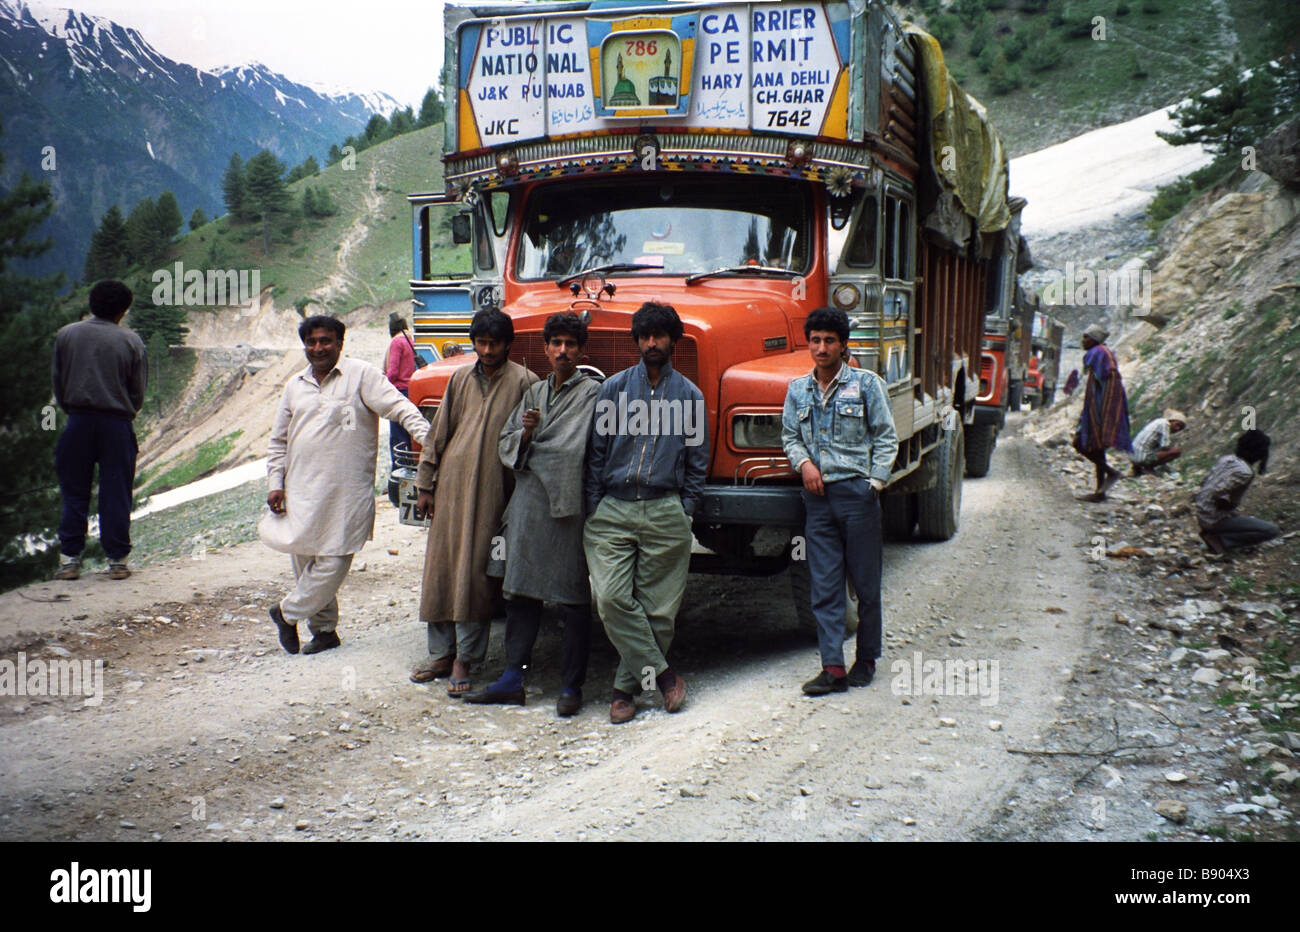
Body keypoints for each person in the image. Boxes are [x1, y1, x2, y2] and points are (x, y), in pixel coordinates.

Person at [261, 315, 429, 655]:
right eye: (312, 342)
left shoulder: (361, 375)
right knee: (306, 561)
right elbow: (278, 440)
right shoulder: (295, 385)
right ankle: (324, 631)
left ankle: (285, 613)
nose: (318, 348)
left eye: (325, 341)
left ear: (340, 342)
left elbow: (399, 406)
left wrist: (430, 439)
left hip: (345, 493)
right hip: (299, 491)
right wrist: (275, 483)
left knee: (335, 558)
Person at [463, 313, 601, 716]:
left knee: (572, 597)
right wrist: (525, 434)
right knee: (519, 591)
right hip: (526, 506)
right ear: (545, 348)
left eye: (570, 344)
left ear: (580, 350)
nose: (562, 351)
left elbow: (570, 450)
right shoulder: (534, 393)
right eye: (555, 343)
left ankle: (571, 686)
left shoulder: (592, 393)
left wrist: (533, 447)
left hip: (565, 507)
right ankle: (513, 678)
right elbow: (505, 446)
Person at [584, 301, 708, 724]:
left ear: (673, 340)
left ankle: (623, 691)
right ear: (636, 341)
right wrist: (595, 506)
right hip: (613, 509)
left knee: (659, 612)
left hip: (665, 510)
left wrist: (685, 510)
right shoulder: (613, 390)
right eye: (644, 336)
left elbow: (697, 461)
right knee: (611, 598)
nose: (651, 343)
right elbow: (596, 455)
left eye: (659, 336)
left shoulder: (689, 396)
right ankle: (665, 675)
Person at [410, 308, 538, 694]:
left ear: (507, 344)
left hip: (493, 493)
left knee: (477, 575)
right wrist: (426, 484)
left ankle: (466, 659)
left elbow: (530, 442)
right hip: (450, 487)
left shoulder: (525, 382)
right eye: (480, 342)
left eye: (494, 343)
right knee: (442, 569)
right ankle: (440, 654)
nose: (486, 350)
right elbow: (439, 433)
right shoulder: (460, 379)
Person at [781, 307, 898, 695]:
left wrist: (875, 484)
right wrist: (804, 465)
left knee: (865, 585)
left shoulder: (866, 385)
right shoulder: (798, 389)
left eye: (829, 340)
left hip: (857, 497)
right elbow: (790, 436)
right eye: (815, 340)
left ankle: (866, 659)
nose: (821, 347)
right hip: (818, 500)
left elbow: (885, 436)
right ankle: (832, 667)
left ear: (843, 344)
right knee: (825, 586)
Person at [51, 280, 147, 581]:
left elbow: (58, 380)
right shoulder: (132, 341)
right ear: (123, 310)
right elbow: (137, 391)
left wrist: (72, 409)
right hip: (117, 424)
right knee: (116, 491)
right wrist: (124, 409)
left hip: (77, 421)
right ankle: (117, 560)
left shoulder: (67, 335)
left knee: (74, 491)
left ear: (91, 303)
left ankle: (70, 559)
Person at [1195, 430, 1281, 554]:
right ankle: (1221, 540)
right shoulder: (1245, 472)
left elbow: (1205, 482)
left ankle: (1214, 532)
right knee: (1271, 530)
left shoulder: (1227, 459)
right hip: (1212, 518)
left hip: (1202, 512)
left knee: (1238, 517)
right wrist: (1226, 505)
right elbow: (1217, 492)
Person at [1072, 324, 1131, 502]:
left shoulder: (1097, 352)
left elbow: (1105, 382)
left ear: (1095, 339)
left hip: (1101, 406)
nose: (1083, 341)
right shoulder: (1105, 352)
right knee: (1097, 448)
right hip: (1106, 404)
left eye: (1086, 337)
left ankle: (1111, 473)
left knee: (1080, 443)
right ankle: (1100, 492)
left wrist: (1096, 413)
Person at [384, 312, 418, 506]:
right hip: (411, 390)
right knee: (409, 435)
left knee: (397, 439)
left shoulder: (396, 342)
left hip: (398, 392)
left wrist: (382, 385)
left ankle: (398, 483)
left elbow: (393, 370)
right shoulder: (411, 338)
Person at [1130, 409, 1187, 476]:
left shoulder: (1159, 422)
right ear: (1172, 420)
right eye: (1177, 424)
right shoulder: (1165, 424)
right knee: (1176, 451)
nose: (1177, 428)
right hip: (1140, 457)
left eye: (1180, 428)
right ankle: (1148, 468)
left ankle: (1138, 468)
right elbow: (1164, 446)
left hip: (1132, 455)